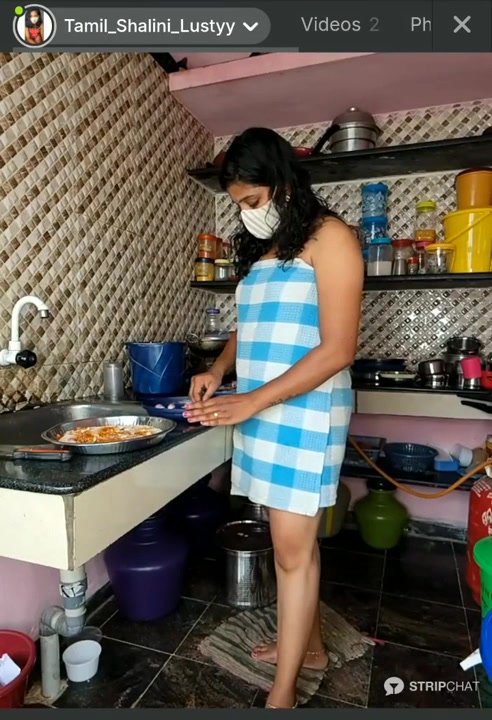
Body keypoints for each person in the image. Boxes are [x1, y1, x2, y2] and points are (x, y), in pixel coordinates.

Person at [185, 127, 363, 708]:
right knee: (296, 541)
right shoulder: (267, 250)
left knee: (290, 549)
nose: (248, 214)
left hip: (305, 410)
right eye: (239, 205)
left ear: (284, 183)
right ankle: (310, 649)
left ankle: (282, 692)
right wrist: (220, 368)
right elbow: (253, 324)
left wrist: (252, 399)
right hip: (262, 408)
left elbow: (338, 349)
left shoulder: (331, 237)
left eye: (253, 200)